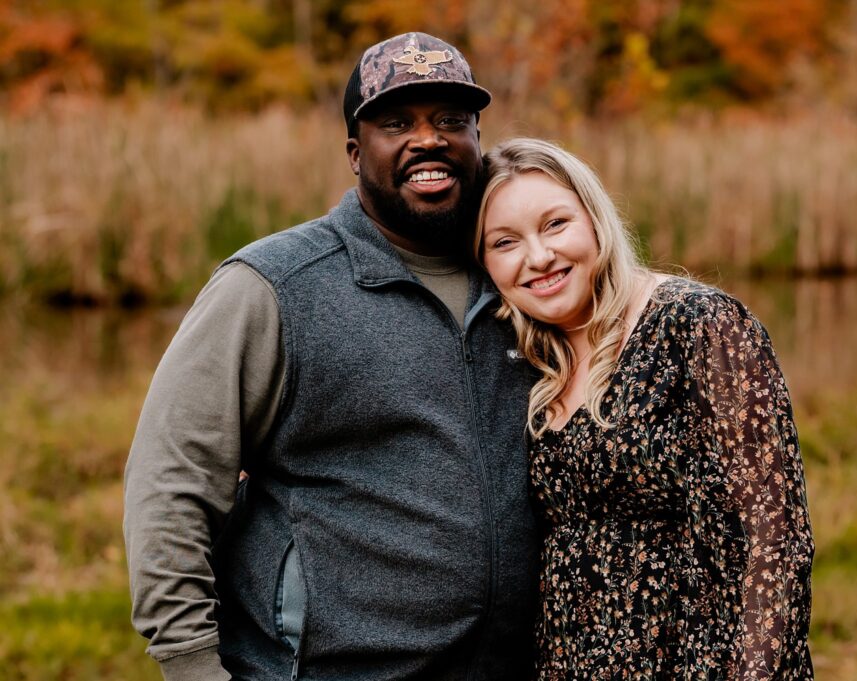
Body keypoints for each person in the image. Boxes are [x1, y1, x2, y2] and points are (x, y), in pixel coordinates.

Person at [123, 34, 539, 681]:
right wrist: (191, 665)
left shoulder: (524, 279)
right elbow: (170, 485)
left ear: (478, 141)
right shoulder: (273, 286)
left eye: (451, 121)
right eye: (397, 122)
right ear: (354, 151)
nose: (428, 139)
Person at [475, 138, 814, 679]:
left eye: (556, 224)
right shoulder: (527, 361)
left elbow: (775, 537)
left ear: (594, 219)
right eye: (505, 242)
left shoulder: (699, 326)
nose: (538, 257)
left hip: (699, 661)